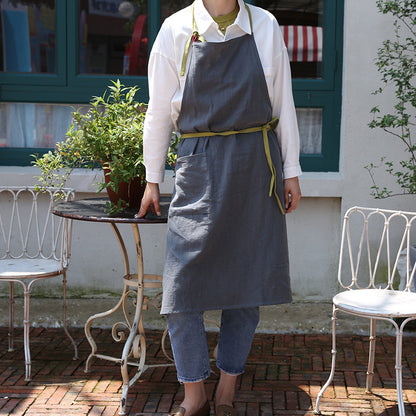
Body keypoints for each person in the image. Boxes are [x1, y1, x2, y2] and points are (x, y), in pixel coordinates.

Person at [137, 0, 302, 415]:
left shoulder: (264, 24)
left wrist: (291, 170)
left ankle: (227, 390)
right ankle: (195, 396)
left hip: (256, 163)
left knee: (247, 290)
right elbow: (158, 112)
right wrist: (152, 177)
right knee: (181, 291)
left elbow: (283, 103)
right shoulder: (175, 30)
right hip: (199, 165)